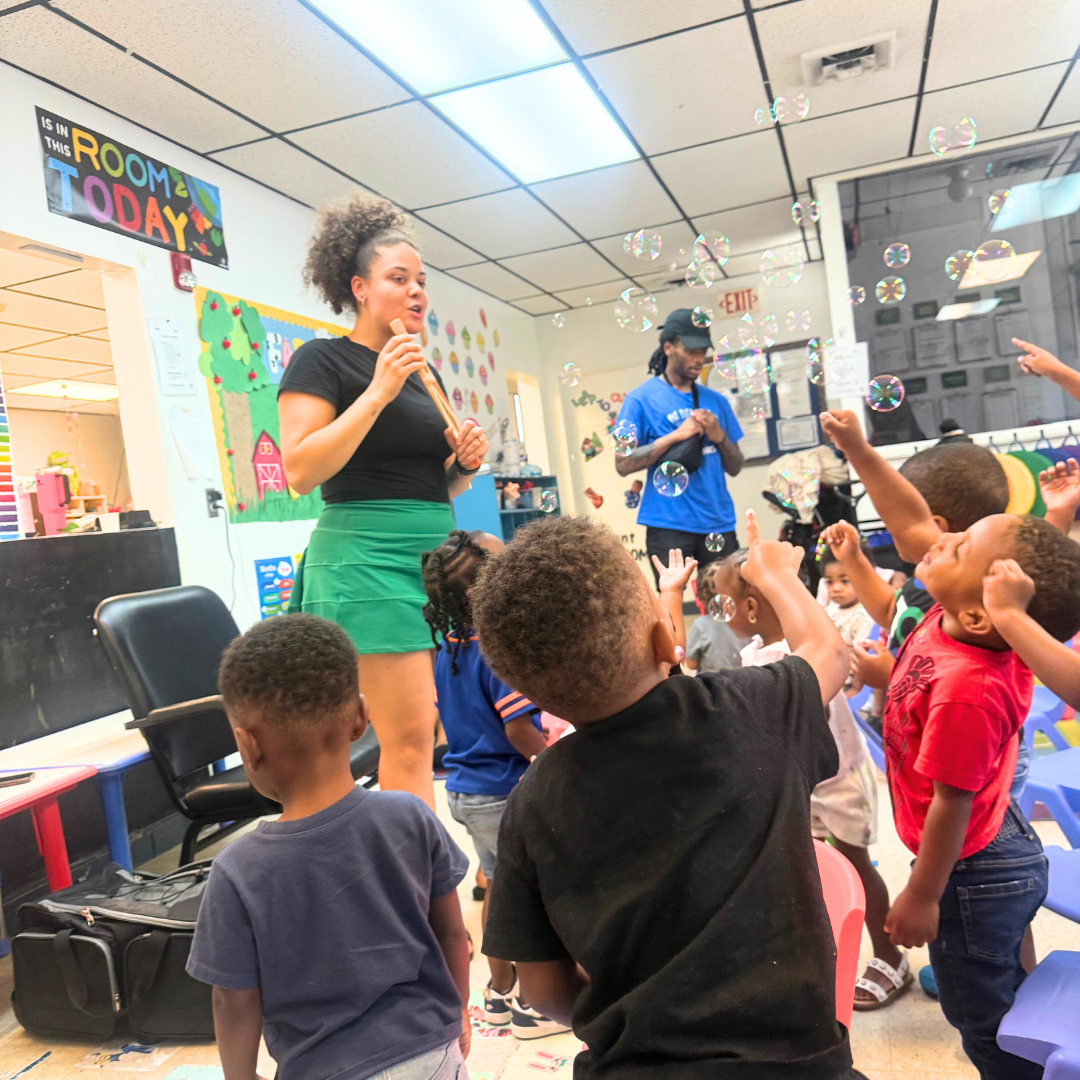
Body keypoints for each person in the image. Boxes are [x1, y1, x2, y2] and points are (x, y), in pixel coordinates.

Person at [471, 512, 863, 1079]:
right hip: (798, 1065)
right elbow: (829, 652)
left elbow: (544, 986)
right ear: (666, 637)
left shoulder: (531, 801)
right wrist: (777, 574)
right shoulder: (748, 708)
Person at [187, 615, 472, 1080]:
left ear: (246, 745)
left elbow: (233, 1000)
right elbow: (452, 935)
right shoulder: (411, 817)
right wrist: (457, 1013)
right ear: (360, 717)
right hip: (431, 1053)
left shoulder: (238, 869)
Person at [278, 194, 488, 809]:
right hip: (365, 559)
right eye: (398, 278)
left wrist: (462, 466)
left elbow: (427, 483)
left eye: (421, 281)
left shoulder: (425, 371)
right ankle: (420, 897)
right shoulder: (323, 360)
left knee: (442, 730)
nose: (416, 292)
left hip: (436, 558)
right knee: (410, 743)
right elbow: (300, 469)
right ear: (360, 287)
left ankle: (417, 879)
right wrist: (377, 390)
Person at [714, 551, 906, 1011]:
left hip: (836, 781)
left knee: (856, 864)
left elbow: (800, 724)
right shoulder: (755, 653)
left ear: (755, 609)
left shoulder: (803, 653)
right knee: (811, 871)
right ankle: (821, 951)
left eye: (725, 603)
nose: (722, 613)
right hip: (801, 785)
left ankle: (888, 956)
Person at [420, 530, 567, 1041]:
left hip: (465, 790)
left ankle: (499, 992)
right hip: (502, 790)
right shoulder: (491, 651)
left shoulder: (448, 650)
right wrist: (556, 761)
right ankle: (532, 1003)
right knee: (530, 899)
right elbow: (517, 727)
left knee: (499, 893)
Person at [614, 309, 744, 586]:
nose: (699, 359)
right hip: (668, 524)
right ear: (669, 347)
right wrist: (676, 435)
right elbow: (622, 463)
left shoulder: (716, 401)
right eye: (691, 350)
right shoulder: (639, 400)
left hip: (718, 522)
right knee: (669, 605)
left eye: (703, 351)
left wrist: (719, 436)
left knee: (729, 602)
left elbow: (735, 466)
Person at [819, 543, 875, 691]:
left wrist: (856, 689)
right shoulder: (830, 609)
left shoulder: (865, 614)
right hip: (825, 677)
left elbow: (863, 657)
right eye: (830, 582)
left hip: (846, 684)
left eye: (844, 581)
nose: (836, 588)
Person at [683, 559, 748, 673]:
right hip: (744, 685)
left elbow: (691, 663)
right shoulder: (747, 622)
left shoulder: (701, 625)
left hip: (710, 688)